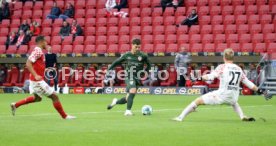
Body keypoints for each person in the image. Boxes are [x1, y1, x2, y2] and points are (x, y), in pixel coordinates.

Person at [172, 48, 269, 122]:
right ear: (233, 58)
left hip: (222, 96)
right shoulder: (239, 69)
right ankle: (242, 116)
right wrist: (260, 91)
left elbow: (210, 77)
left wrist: (198, 78)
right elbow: (249, 83)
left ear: (224, 57)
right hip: (233, 97)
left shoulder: (222, 67)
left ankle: (180, 117)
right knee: (234, 102)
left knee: (197, 101)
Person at [10, 35, 75, 120]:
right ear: (41, 42)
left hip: (35, 80)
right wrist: (36, 75)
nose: (46, 43)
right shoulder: (38, 51)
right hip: (37, 81)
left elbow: (37, 64)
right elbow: (28, 63)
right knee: (55, 96)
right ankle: (64, 116)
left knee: (37, 99)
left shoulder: (39, 51)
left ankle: (15, 105)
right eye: (45, 42)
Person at [107, 38, 151, 116]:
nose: (137, 49)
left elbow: (149, 65)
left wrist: (145, 72)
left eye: (139, 47)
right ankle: (128, 111)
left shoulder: (143, 55)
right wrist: (109, 69)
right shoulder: (127, 55)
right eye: (136, 47)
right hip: (129, 76)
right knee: (133, 90)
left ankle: (115, 102)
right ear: (132, 45)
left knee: (128, 99)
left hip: (137, 78)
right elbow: (116, 62)